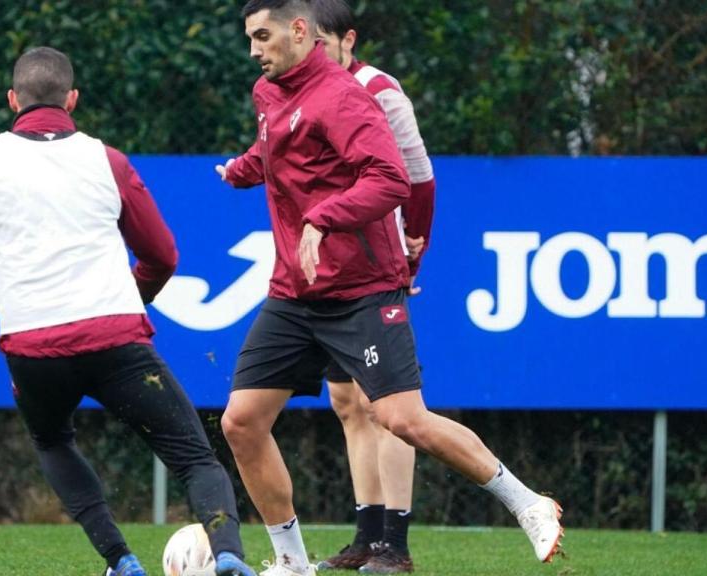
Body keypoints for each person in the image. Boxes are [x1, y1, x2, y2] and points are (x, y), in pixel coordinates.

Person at [0, 46, 257, 576]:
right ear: (72, 99)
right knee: (194, 459)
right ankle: (229, 554)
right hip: (118, 342)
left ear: (12, 100)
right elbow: (163, 256)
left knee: (52, 440)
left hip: (33, 350)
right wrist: (133, 297)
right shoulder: (108, 161)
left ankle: (120, 560)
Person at [215, 2, 563, 575]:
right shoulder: (268, 91)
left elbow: (391, 179)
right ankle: (291, 562)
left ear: (298, 31)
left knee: (404, 420)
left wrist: (324, 218)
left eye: (262, 36)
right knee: (241, 422)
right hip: (295, 292)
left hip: (361, 290)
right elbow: (279, 150)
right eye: (250, 38)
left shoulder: (347, 97)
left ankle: (527, 503)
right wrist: (244, 169)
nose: (254, 49)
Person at [311, 0, 435, 571]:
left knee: (385, 405)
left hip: (373, 265)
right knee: (346, 402)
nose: (311, 53)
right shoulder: (292, 90)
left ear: (348, 39)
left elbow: (416, 173)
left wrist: (416, 243)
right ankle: (366, 535)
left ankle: (396, 544)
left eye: (321, 41)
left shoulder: (379, 89)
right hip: (322, 272)